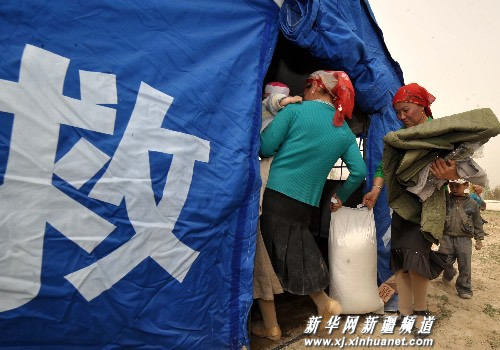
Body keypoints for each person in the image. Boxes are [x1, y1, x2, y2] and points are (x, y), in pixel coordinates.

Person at [256, 70, 366, 339]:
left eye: (306, 86)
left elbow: (265, 147)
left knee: (263, 261)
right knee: (298, 250)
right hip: (307, 204)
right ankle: (324, 302)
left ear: (317, 88)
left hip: (276, 196)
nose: (303, 92)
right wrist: (338, 197)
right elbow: (359, 171)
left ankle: (271, 326)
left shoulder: (295, 112)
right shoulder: (343, 131)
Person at [362, 83, 460, 330]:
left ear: (421, 105)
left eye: (406, 110)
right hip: (402, 207)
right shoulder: (401, 138)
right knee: (402, 262)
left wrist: (452, 173)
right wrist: (375, 189)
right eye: (398, 112)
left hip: (427, 208)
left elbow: (462, 166)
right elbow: (384, 167)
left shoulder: (440, 134)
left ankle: (420, 312)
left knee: (416, 261)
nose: (402, 117)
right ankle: (405, 312)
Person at [252, 82, 302, 341]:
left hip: (263, 198)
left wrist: (283, 102)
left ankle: (270, 325)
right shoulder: (281, 120)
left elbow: (271, 103)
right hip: (276, 196)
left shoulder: (270, 121)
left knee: (260, 261)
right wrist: (286, 101)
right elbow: (272, 104)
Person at [439, 179, 484, 299]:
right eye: (451, 185)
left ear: (466, 185)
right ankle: (449, 273)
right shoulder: (445, 199)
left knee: (465, 265)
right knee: (443, 260)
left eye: (457, 186)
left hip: (464, 239)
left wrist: (479, 238)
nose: (453, 188)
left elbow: (477, 222)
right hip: (446, 236)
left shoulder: (472, 204)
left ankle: (464, 288)